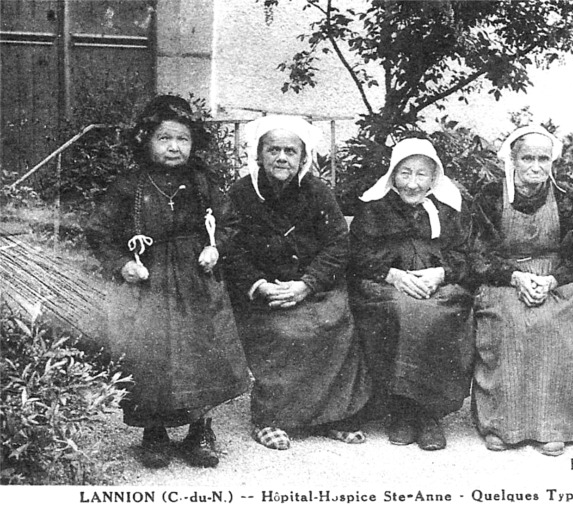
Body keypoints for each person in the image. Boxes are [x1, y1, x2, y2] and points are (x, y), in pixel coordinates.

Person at [86, 95, 250, 469]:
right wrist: (122, 263)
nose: (175, 147)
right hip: (149, 282)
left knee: (202, 352)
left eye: (183, 139)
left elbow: (229, 224)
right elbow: (98, 231)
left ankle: (200, 431)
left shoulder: (202, 182)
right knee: (151, 356)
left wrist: (216, 248)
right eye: (164, 138)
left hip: (196, 278)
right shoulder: (130, 185)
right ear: (146, 140)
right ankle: (154, 433)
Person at [225, 116, 371, 450]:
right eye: (273, 149)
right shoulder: (241, 193)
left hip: (311, 285)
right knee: (283, 331)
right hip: (263, 291)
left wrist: (306, 285)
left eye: (290, 151)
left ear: (303, 158)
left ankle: (333, 417)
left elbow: (338, 244)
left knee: (334, 321)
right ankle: (270, 418)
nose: (281, 157)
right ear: (259, 154)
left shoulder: (318, 192)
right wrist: (260, 285)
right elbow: (231, 249)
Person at [470, 125, 573, 456]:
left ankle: (556, 425)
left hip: (555, 279)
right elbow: (476, 254)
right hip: (506, 278)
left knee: (560, 320)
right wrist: (515, 276)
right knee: (512, 321)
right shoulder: (490, 197)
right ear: (512, 161)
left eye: (543, 159)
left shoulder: (566, 198)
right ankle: (501, 425)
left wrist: (552, 280)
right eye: (527, 158)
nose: (536, 166)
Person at [348, 137, 474, 451]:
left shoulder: (452, 208)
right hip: (385, 285)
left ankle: (428, 414)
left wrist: (440, 273)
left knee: (437, 312)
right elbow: (356, 254)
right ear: (393, 174)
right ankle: (401, 411)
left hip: (440, 286)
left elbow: (470, 254)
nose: (413, 184)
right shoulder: (374, 207)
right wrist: (394, 275)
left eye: (421, 175)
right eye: (405, 173)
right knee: (398, 310)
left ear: (434, 177)